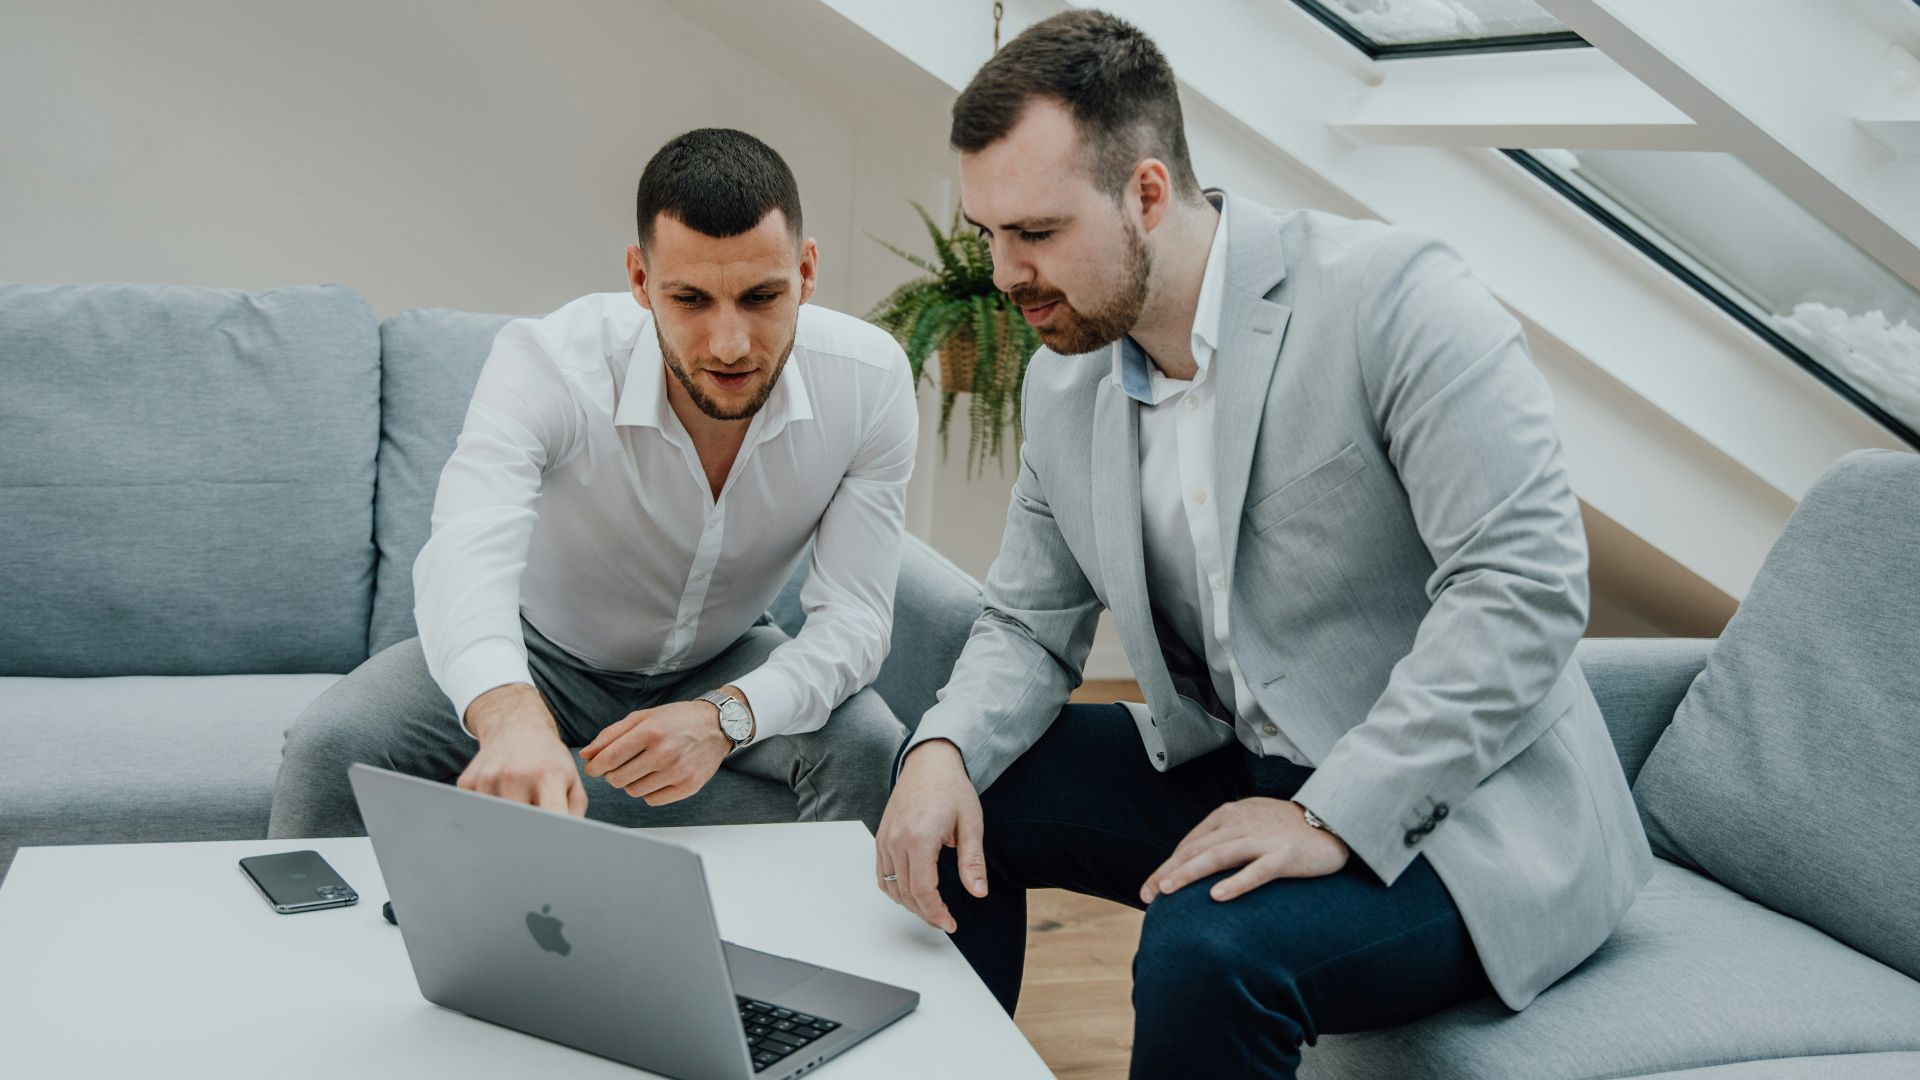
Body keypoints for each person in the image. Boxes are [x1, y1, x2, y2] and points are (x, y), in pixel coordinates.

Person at [873, 11, 1652, 1078]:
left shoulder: (1397, 300)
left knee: (1208, 951)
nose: (1006, 274)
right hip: (1243, 763)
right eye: (990, 235)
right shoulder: (1066, 385)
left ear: (1146, 192)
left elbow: (1523, 590)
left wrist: (1334, 814)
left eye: (1039, 234)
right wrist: (940, 752)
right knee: (964, 805)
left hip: (1468, 815)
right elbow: (1026, 624)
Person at [269, 128, 916, 838]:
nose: (730, 343)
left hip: (723, 656)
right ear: (640, 280)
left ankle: (827, 948)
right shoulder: (548, 364)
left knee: (868, 743)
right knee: (331, 744)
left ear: (808, 271)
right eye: (691, 299)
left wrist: (725, 716)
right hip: (540, 651)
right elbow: (465, 556)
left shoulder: (870, 380)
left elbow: (854, 621)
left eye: (762, 296)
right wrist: (510, 713)